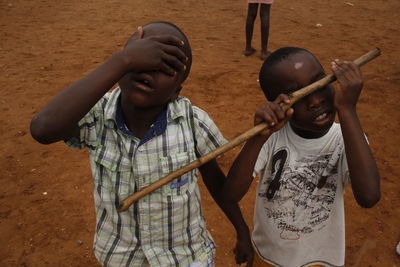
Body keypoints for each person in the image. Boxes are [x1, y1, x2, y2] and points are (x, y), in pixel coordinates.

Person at [30, 21, 253, 266]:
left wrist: (241, 230)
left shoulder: (193, 122)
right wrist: (122, 61)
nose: (147, 70)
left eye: (165, 66)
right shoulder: (96, 116)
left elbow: (216, 182)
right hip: (120, 258)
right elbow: (43, 129)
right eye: (140, 59)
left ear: (177, 90)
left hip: (185, 258)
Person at [222, 47, 380, 266]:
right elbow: (230, 194)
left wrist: (347, 110)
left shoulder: (346, 138)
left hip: (321, 261)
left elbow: (369, 196)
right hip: (267, 257)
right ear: (276, 104)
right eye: (299, 95)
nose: (315, 101)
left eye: (319, 84)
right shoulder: (270, 137)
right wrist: (257, 137)